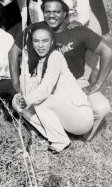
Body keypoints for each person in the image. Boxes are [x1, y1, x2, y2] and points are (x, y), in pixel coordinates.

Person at [10, 0, 112, 141]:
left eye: (57, 12)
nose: (52, 16)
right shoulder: (34, 30)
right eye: (48, 12)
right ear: (43, 12)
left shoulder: (78, 31)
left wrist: (97, 83)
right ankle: (56, 133)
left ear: (65, 13)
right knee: (17, 103)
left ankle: (83, 133)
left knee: (102, 107)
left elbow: (108, 52)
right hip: (43, 84)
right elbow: (13, 52)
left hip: (76, 84)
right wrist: (16, 83)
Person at [13, 22, 93, 153]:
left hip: (81, 117)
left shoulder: (55, 56)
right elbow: (28, 90)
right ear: (31, 43)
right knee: (16, 102)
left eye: (45, 41)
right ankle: (56, 134)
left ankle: (60, 140)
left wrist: (28, 100)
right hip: (65, 116)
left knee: (42, 100)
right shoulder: (38, 62)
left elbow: (46, 88)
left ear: (51, 42)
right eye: (36, 41)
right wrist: (26, 58)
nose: (40, 45)